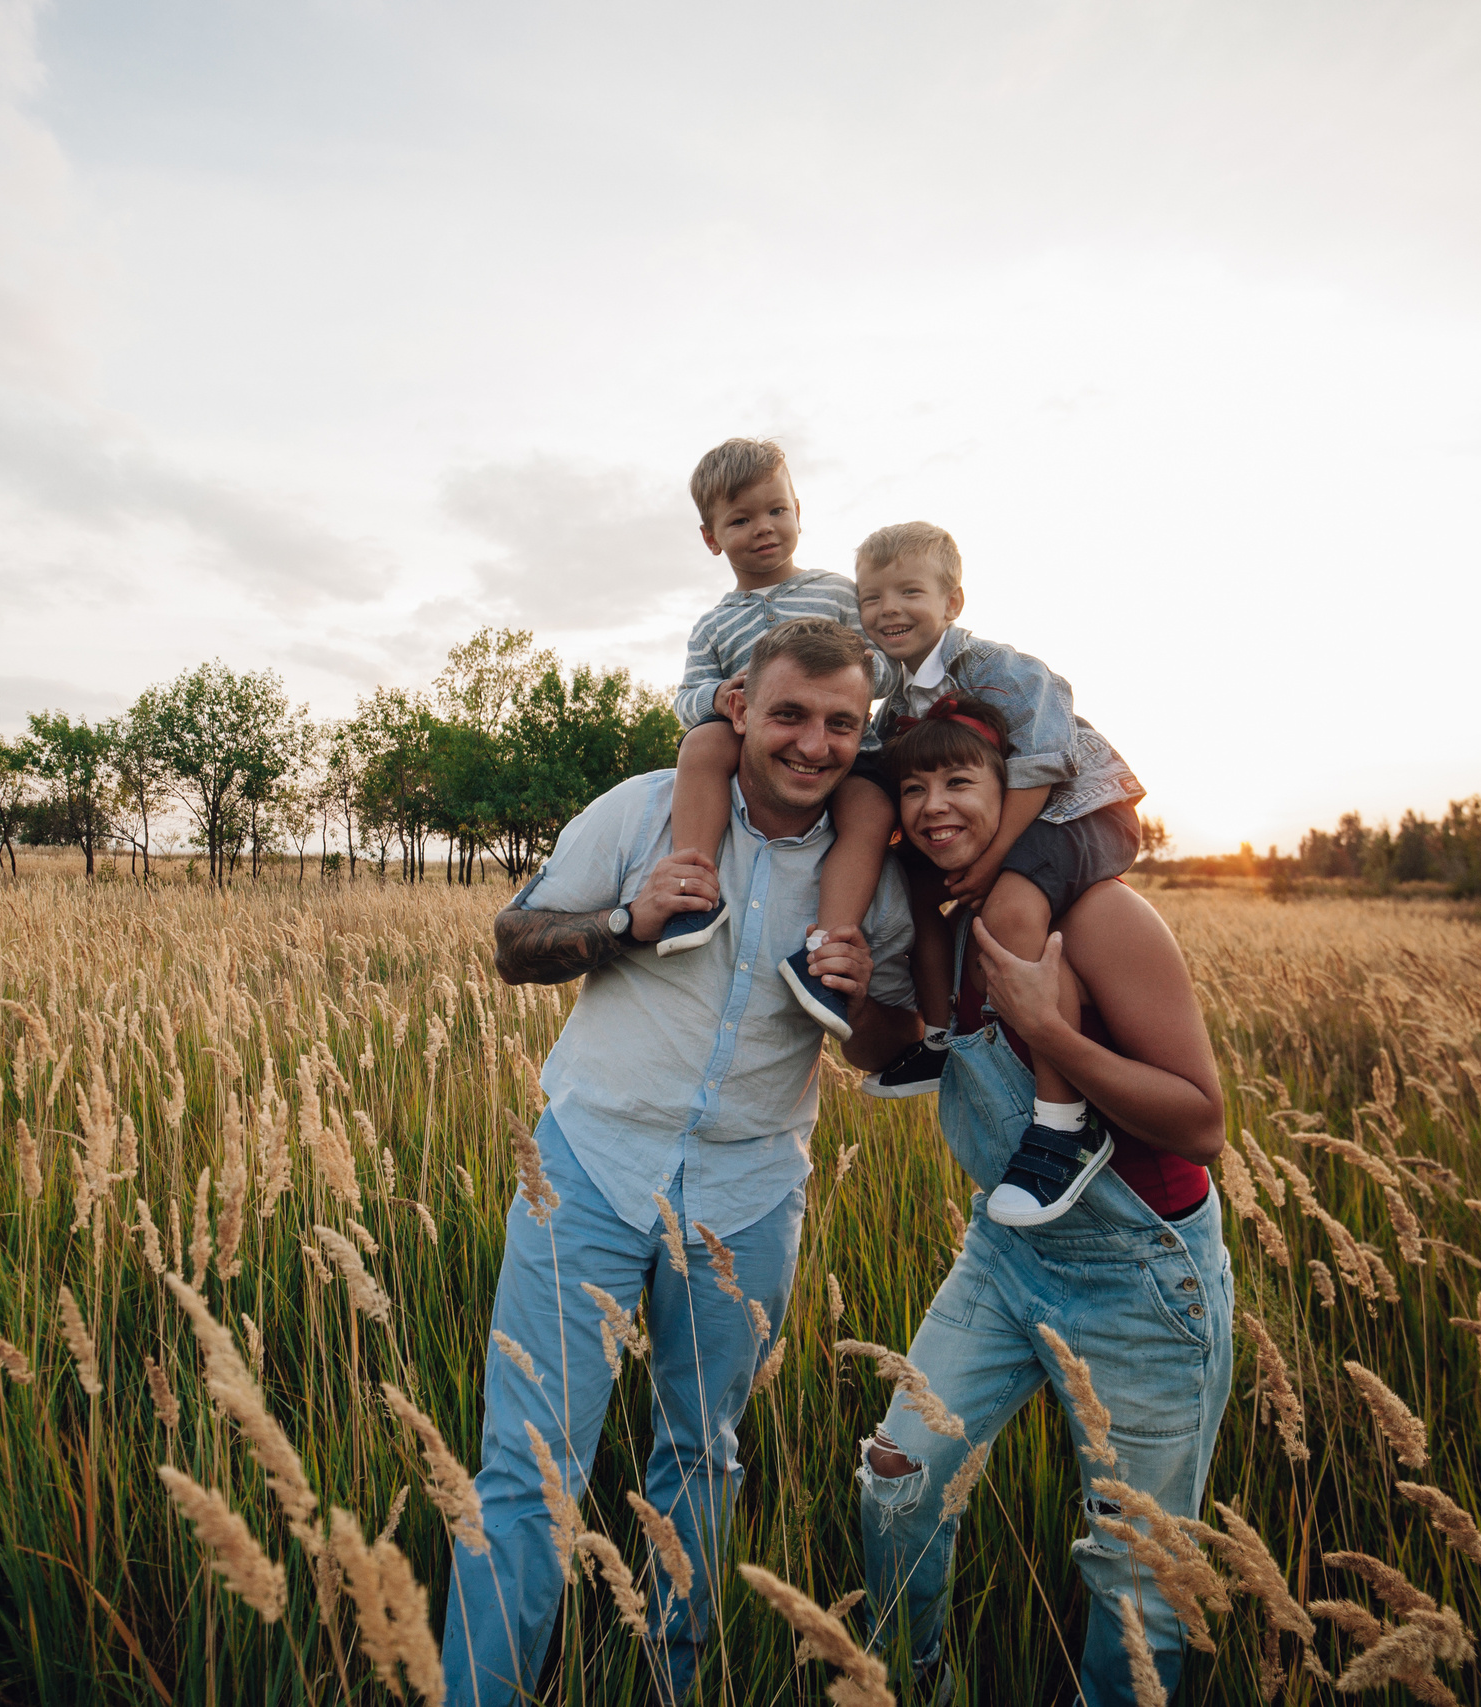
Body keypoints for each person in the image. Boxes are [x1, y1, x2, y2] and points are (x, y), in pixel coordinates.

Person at [451, 617, 925, 1705]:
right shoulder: (643, 810)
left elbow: (893, 1047)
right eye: (791, 715)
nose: (812, 743)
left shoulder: (871, 876)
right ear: (739, 712)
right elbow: (514, 942)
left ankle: (674, 1685)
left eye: (840, 723)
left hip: (747, 1195)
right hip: (587, 1171)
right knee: (526, 1470)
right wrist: (626, 917)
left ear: (863, 732)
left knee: (703, 1456)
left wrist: (858, 998)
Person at [844, 701, 1231, 1707]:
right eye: (912, 788)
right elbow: (910, 1056)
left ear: (1017, 790)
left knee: (1137, 1566)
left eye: (958, 782)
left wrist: (1047, 1033)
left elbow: (1199, 1124)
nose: (933, 808)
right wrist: (845, 993)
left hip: (1140, 1272)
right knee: (898, 1472)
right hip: (1008, 1256)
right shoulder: (942, 925)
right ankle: (910, 1680)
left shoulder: (1099, 916)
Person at [851, 522, 1150, 1228]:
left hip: (1079, 810)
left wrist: (992, 863)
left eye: (909, 591)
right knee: (915, 885)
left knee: (1009, 912)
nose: (888, 608)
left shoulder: (994, 667)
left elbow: (1047, 758)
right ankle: (936, 1038)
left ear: (953, 601)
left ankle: (1063, 1119)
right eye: (871, 596)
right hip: (1000, 824)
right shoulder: (894, 701)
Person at [660, 438, 895, 1044]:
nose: (763, 529)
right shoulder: (714, 624)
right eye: (740, 520)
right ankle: (693, 889)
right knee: (701, 747)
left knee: (870, 807)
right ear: (712, 537)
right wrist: (717, 700)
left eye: (775, 511)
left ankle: (826, 948)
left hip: (837, 754)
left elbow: (887, 670)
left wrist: (863, 672)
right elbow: (686, 697)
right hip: (750, 748)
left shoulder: (837, 593)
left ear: (798, 511)